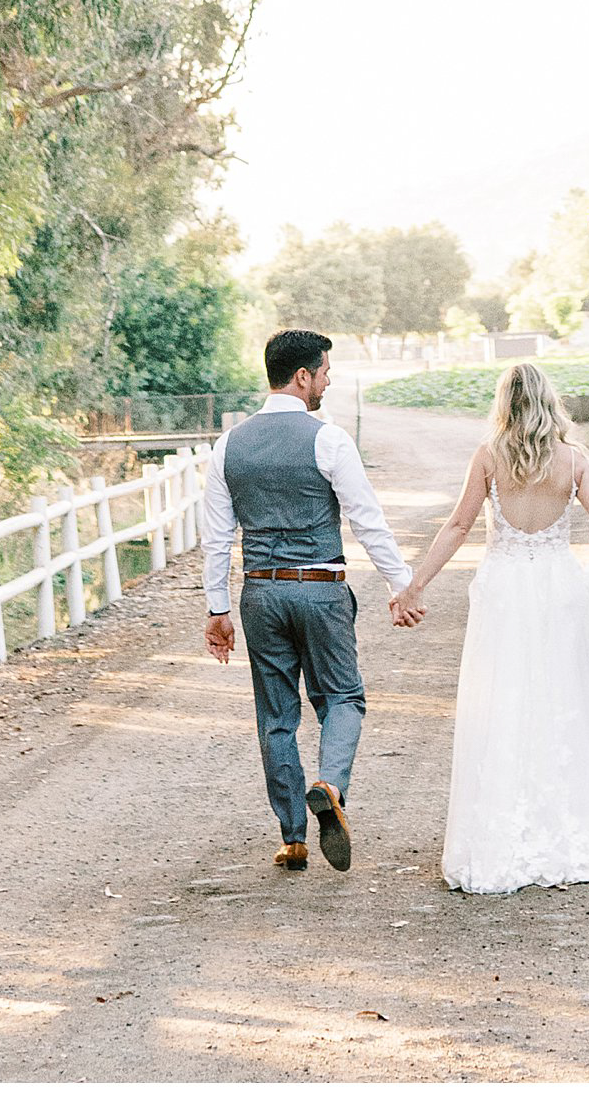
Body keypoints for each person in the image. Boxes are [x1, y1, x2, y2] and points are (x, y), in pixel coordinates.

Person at [388, 361, 589, 893]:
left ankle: (498, 837)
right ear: (551, 401)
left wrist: (414, 587)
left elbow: (458, 526)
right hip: (560, 590)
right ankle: (568, 832)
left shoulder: (487, 457)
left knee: (500, 704)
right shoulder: (574, 460)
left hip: (503, 592)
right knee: (562, 704)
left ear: (504, 403)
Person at [202, 329, 417, 874]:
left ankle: (293, 839)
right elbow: (368, 520)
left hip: (260, 591)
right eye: (324, 372)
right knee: (342, 697)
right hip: (320, 589)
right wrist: (401, 584)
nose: (327, 382)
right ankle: (331, 787)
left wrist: (217, 609)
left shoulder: (228, 445)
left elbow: (216, 537)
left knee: (276, 715)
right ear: (302, 376)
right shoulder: (329, 440)